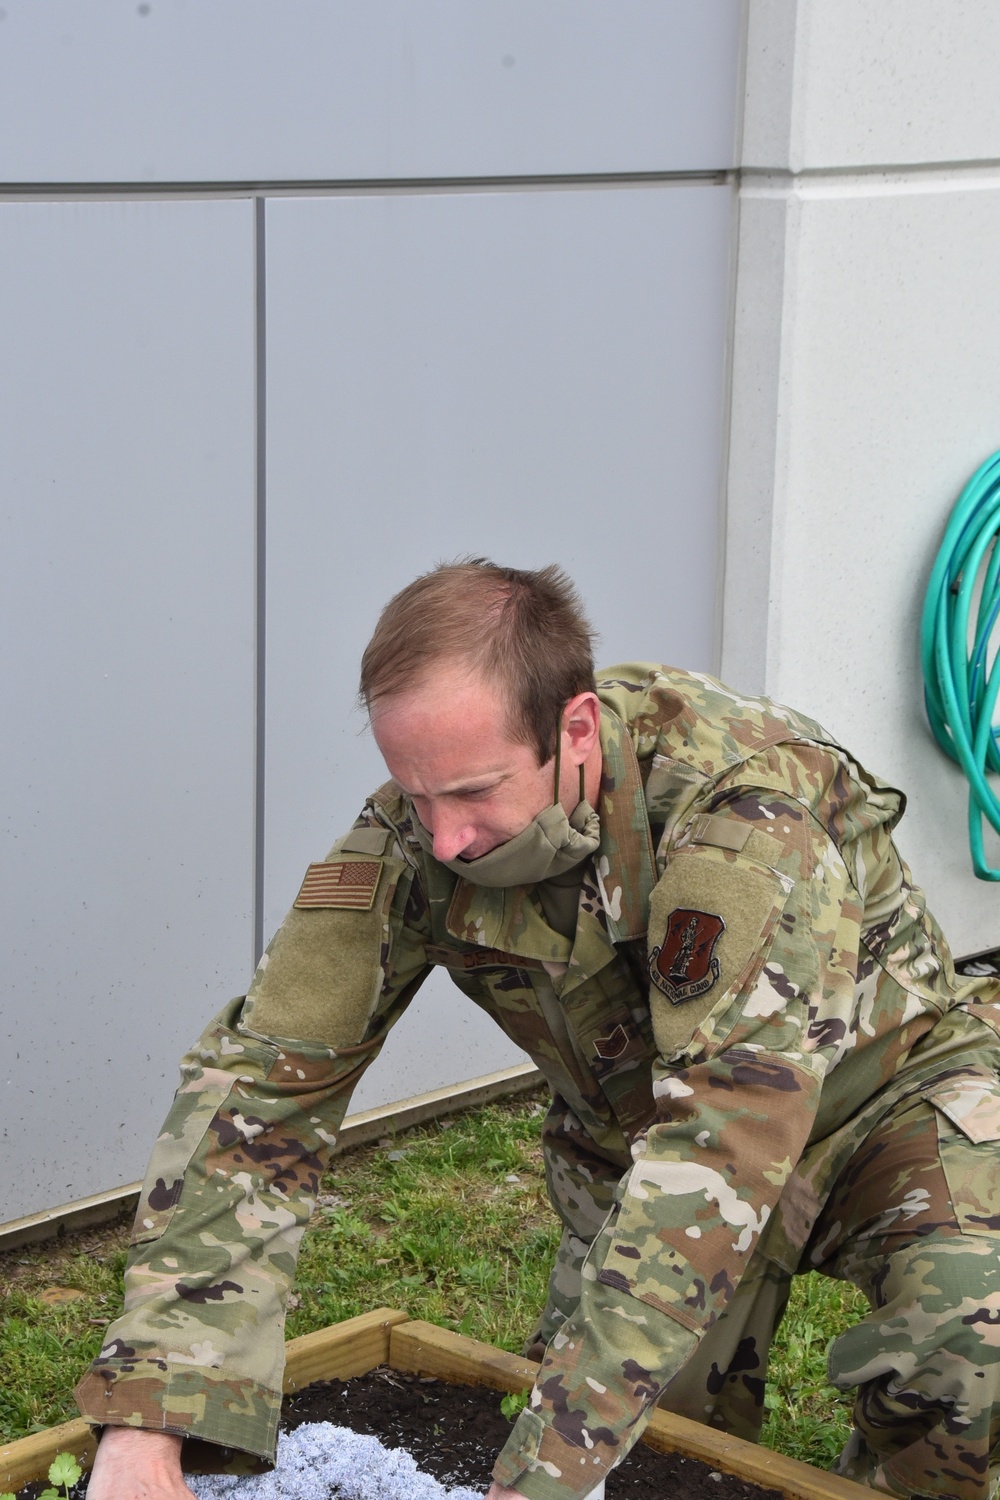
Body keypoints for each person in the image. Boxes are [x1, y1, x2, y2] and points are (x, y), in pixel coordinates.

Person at [80, 560, 1000, 1500]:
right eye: (415, 792)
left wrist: (548, 1475)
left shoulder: (743, 816)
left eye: (474, 792)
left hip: (883, 1103)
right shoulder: (413, 835)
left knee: (973, 1350)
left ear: (576, 729)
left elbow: (725, 1139)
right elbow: (261, 1094)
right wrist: (149, 1419)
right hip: (646, 1141)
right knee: (650, 1465)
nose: (443, 838)